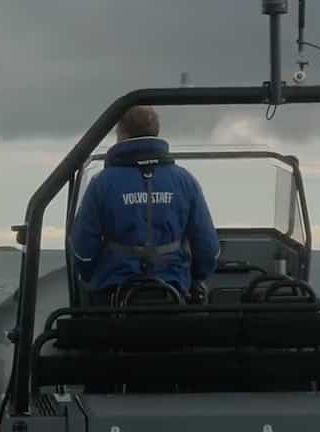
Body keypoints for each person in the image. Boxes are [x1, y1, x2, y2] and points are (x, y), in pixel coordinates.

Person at [69, 105, 219, 304]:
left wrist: (90, 276)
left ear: (121, 133)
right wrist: (195, 279)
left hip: (113, 300)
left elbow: (82, 250)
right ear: (156, 131)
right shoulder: (185, 181)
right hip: (174, 295)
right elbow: (208, 249)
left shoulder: (101, 183)